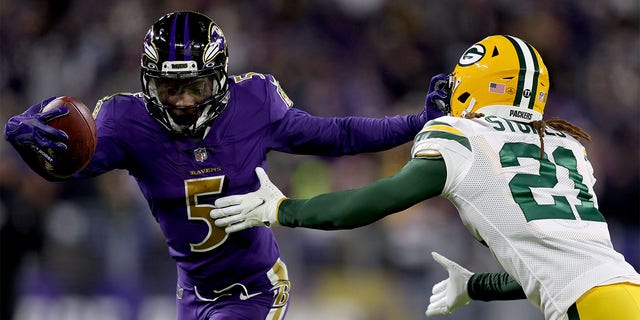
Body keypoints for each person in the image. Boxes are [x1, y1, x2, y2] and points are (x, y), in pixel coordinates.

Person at [2, 11, 449, 320]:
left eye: (194, 86)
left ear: (218, 79)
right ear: (147, 83)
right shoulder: (125, 119)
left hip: (255, 288)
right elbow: (69, 168)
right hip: (192, 292)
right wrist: (34, 145)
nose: (182, 101)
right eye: (169, 87)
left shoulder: (254, 102)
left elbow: (338, 134)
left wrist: (414, 122)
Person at [210, 35, 640, 320]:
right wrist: (477, 285)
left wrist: (284, 210)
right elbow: (556, 267)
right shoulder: (566, 147)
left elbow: (372, 202)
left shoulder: (461, 135)